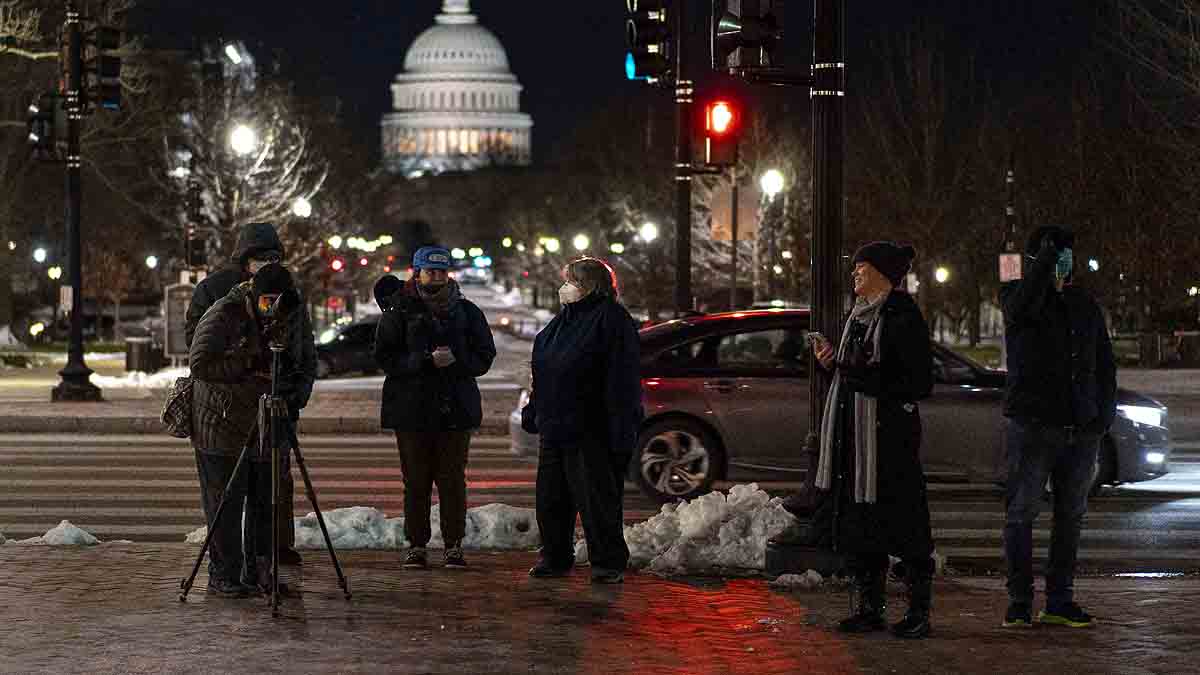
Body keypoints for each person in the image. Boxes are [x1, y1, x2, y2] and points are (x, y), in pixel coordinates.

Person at [809, 242, 936, 639]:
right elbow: (854, 375)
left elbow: (916, 382)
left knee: (906, 526)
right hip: (857, 445)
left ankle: (918, 610)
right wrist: (834, 363)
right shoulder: (858, 316)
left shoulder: (901, 315)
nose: (854, 275)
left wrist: (853, 372)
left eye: (860, 269)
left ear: (881, 273)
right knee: (862, 527)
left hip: (889, 444)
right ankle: (870, 607)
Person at [999, 225, 1116, 629]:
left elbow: (1103, 363)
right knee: (1022, 514)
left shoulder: (1083, 302)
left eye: (1067, 253)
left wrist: (1102, 417)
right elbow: (1017, 309)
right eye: (1056, 253)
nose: (1065, 260)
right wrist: (1042, 264)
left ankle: (1059, 600)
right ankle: (1019, 601)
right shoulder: (1021, 293)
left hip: (1080, 429)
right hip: (1034, 425)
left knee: (1070, 517)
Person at [185, 222, 315, 567]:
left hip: (271, 415)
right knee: (225, 499)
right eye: (260, 258)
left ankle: (263, 564)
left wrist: (294, 394)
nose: (267, 263)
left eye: (273, 257)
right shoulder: (217, 295)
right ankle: (226, 571)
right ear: (244, 260)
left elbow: (304, 351)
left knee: (269, 495)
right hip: (223, 415)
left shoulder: (286, 293)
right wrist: (248, 360)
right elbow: (200, 355)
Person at [374, 247, 496, 570]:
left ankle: (453, 544)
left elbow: (485, 355)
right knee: (416, 481)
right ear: (417, 273)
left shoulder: (467, 312)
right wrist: (423, 360)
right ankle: (416, 544)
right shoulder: (398, 311)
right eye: (430, 272)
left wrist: (458, 360)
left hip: (454, 410)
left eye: (441, 273)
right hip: (412, 411)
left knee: (452, 481)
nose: (436, 278)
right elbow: (384, 357)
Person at [521, 257, 642, 584]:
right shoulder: (563, 321)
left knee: (596, 499)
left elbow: (621, 381)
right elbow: (544, 371)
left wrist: (622, 430)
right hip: (556, 425)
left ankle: (607, 561)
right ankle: (555, 555)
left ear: (592, 285)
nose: (566, 286)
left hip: (591, 428)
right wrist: (535, 410)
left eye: (572, 280)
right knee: (551, 499)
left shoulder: (611, 320)